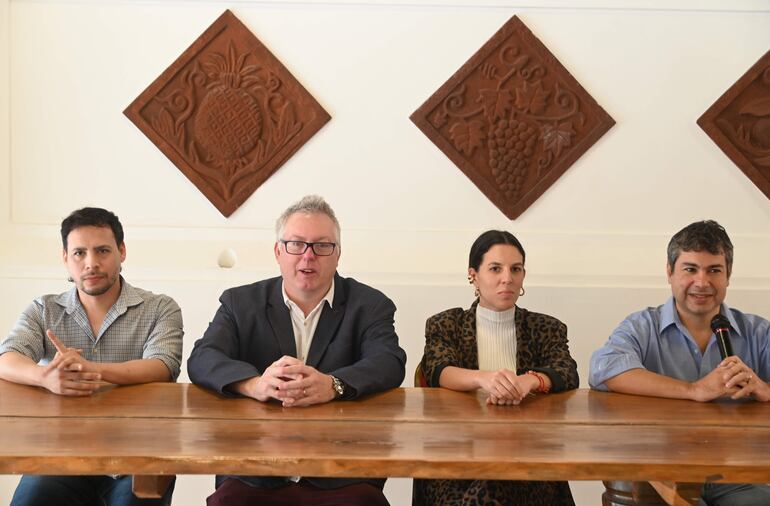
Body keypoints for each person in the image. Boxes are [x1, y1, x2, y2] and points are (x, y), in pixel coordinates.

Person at [187, 195, 406, 506]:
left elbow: (390, 362)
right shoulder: (240, 303)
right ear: (278, 251)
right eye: (296, 244)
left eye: (322, 245)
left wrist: (333, 385)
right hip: (254, 472)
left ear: (338, 254)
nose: (308, 256)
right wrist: (254, 384)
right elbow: (203, 358)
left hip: (341, 475)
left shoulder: (370, 306)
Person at [0, 207, 183, 506]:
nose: (91, 263)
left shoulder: (160, 308)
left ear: (122, 252)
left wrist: (92, 369)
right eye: (79, 253)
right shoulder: (44, 309)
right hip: (59, 457)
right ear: (65, 258)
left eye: (102, 251)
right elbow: (7, 357)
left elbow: (162, 365)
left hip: (137, 458)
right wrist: (45, 377)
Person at [589, 219, 770, 506]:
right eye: (690, 269)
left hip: (738, 475)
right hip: (660, 471)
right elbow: (604, 368)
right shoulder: (641, 326)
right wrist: (693, 390)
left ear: (728, 276)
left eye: (714, 270)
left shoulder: (758, 332)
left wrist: (764, 389)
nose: (702, 282)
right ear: (670, 272)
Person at [413, 229, 578, 506]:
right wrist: (484, 379)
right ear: (473, 275)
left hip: (528, 458)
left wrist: (528, 381)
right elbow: (437, 370)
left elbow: (566, 370)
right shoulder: (446, 324)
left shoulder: (546, 327)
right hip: (457, 459)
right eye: (495, 269)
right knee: (489, 488)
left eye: (516, 269)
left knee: (499, 483)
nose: (507, 278)